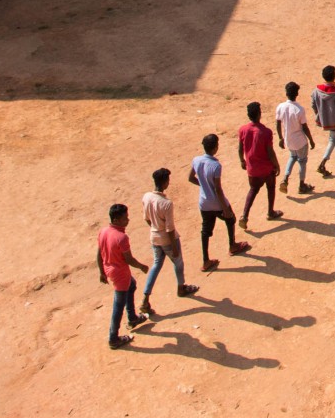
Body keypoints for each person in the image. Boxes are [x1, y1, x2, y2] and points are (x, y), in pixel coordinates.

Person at [140, 169, 197, 319]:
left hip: (154, 236)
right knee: (178, 263)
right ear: (165, 182)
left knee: (156, 265)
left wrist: (155, 229)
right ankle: (181, 287)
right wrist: (173, 247)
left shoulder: (146, 197)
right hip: (166, 238)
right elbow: (170, 229)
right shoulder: (166, 203)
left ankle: (146, 297)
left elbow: (147, 219)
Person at [188, 133, 247, 270]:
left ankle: (206, 260)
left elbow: (190, 178)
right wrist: (225, 209)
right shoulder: (215, 165)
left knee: (205, 231)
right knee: (230, 219)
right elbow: (218, 189)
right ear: (215, 148)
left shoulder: (196, 160)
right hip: (216, 202)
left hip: (204, 202)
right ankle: (232, 245)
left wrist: (203, 185)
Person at [97, 203, 150, 349]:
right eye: (124, 218)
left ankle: (132, 317)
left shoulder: (103, 231)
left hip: (110, 269)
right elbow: (129, 259)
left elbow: (99, 253)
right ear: (116, 220)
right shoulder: (122, 237)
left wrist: (102, 272)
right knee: (118, 306)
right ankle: (113, 338)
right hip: (120, 273)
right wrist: (142, 266)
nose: (128, 220)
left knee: (132, 285)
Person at [237, 101, 282, 227]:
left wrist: (242, 160)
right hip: (266, 168)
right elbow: (270, 151)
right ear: (259, 114)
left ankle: (244, 216)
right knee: (271, 188)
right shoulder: (266, 132)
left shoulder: (243, 130)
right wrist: (276, 165)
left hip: (252, 168)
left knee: (253, 190)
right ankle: (270, 212)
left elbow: (240, 148)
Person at [276, 83, 314, 196]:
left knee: (292, 157)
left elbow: (278, 123)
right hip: (300, 141)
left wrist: (280, 138)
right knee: (302, 161)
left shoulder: (280, 107)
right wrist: (311, 140)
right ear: (297, 94)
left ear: (286, 93)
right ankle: (302, 185)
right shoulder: (299, 109)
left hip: (289, 140)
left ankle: (285, 178)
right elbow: (305, 127)